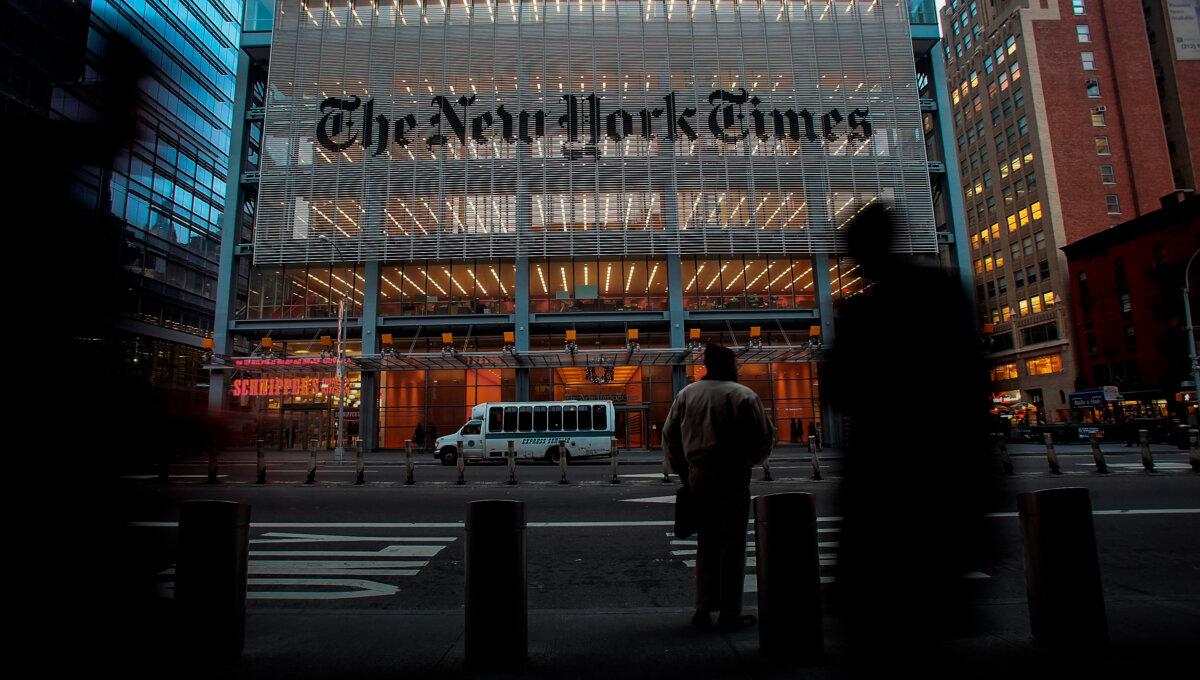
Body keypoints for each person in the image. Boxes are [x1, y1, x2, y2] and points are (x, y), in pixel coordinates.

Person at [825, 203, 997, 673]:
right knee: (922, 626)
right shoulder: (942, 291)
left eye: (854, 253)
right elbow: (974, 385)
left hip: (883, 488)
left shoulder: (865, 310)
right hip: (939, 484)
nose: (853, 264)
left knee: (882, 632)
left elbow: (839, 391)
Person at [663, 344, 775, 632]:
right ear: (731, 365)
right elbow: (763, 438)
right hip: (732, 474)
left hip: (697, 475)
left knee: (706, 542)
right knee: (733, 545)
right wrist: (750, 460)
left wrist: (683, 473)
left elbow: (670, 435)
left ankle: (702, 608)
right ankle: (729, 612)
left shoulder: (687, 393)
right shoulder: (742, 395)